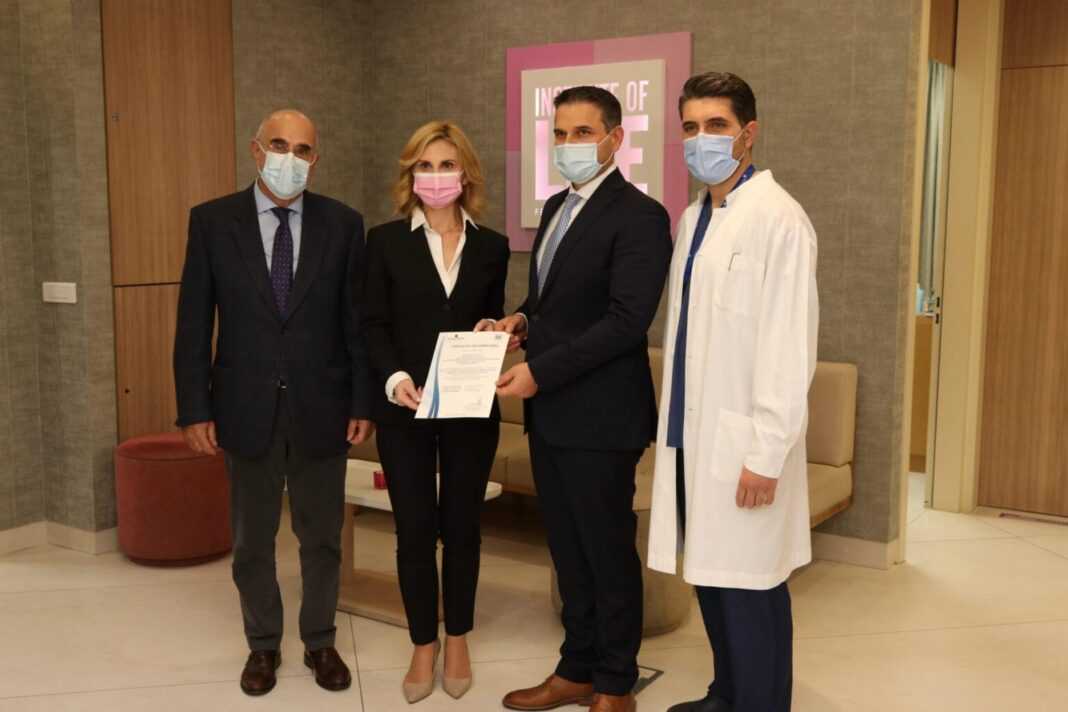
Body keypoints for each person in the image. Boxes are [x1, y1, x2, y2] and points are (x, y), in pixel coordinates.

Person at [173, 109, 374, 697]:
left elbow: (356, 325)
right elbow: (193, 323)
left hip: (323, 406)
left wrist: (362, 400)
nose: (291, 158)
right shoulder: (213, 222)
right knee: (252, 540)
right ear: (257, 150)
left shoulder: (344, 224)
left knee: (322, 537)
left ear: (316, 159)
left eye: (303, 149)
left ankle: (320, 640)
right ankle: (262, 644)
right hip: (244, 407)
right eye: (280, 145)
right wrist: (195, 408)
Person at [495, 86, 673, 712]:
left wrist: (539, 372)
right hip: (552, 417)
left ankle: (616, 683)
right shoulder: (556, 206)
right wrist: (520, 321)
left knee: (606, 552)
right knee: (567, 552)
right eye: (560, 133)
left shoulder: (641, 216)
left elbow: (626, 322)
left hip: (602, 417)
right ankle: (575, 669)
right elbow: (554, 303)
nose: (568, 145)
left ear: (615, 139)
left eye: (582, 133)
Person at [647, 72, 819, 712]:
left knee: (752, 587)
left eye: (716, 125)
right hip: (691, 437)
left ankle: (760, 703)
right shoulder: (695, 216)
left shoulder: (780, 219)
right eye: (690, 127)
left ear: (749, 133)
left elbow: (788, 347)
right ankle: (727, 695)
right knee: (712, 578)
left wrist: (766, 452)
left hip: (745, 442)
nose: (701, 139)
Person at [362, 121, 510, 704]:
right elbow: (373, 324)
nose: (436, 176)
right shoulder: (384, 241)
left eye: (447, 165)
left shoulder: (493, 246)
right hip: (406, 409)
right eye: (424, 166)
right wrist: (395, 379)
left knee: (464, 530)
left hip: (471, 409)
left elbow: (490, 318)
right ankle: (423, 643)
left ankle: (458, 639)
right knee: (415, 532)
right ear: (410, 174)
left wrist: (493, 330)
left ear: (465, 173)